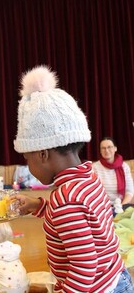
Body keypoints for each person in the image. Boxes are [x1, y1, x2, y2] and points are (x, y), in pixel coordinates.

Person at [12, 65, 134, 292]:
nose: (29, 166)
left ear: (42, 154)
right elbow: (82, 221)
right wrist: (39, 206)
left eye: (27, 158)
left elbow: (84, 267)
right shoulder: (89, 177)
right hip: (115, 277)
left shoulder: (66, 199)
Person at [92, 137, 134, 207]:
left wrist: (121, 207)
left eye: (109, 147)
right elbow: (94, 192)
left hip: (122, 205)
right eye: (103, 148)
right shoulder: (94, 167)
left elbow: (129, 191)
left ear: (115, 148)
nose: (106, 150)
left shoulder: (124, 166)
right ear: (100, 151)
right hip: (102, 206)